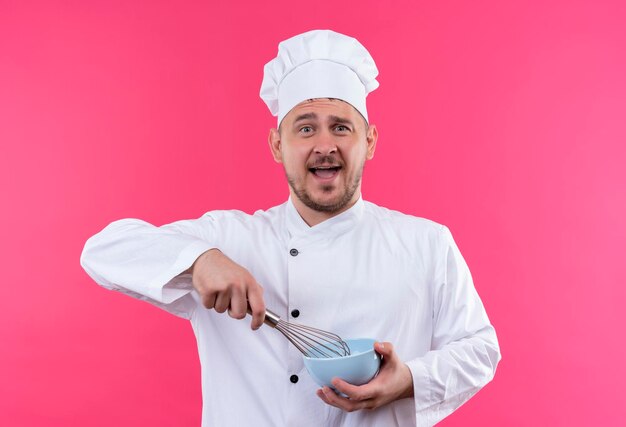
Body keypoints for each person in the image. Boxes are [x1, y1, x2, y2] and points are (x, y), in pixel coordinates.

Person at [81, 29, 501, 427]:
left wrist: (409, 378)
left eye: (341, 126)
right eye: (305, 128)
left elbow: (480, 349)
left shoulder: (425, 244)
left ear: (369, 141)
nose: (324, 145)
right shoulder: (230, 238)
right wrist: (200, 260)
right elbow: (103, 250)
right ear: (276, 145)